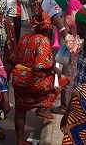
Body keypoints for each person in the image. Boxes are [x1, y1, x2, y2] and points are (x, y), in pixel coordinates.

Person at [9, 13, 68, 145]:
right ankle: (43, 107)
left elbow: (13, 59)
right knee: (63, 80)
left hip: (18, 81)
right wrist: (54, 69)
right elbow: (39, 67)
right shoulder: (43, 41)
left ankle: (19, 141)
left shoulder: (25, 37)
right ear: (47, 28)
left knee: (20, 111)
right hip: (34, 83)